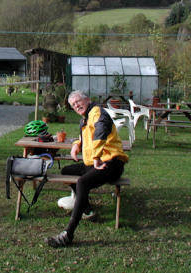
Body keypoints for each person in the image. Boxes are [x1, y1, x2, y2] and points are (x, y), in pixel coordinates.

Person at [45, 90, 129, 248]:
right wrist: (76, 144)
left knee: (82, 182)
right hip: (94, 163)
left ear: (87, 100)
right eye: (73, 105)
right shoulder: (85, 119)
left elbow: (101, 131)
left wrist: (97, 158)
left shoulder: (98, 112)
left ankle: (68, 234)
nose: (76, 106)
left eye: (78, 102)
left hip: (112, 162)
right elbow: (85, 137)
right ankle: (88, 211)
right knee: (67, 171)